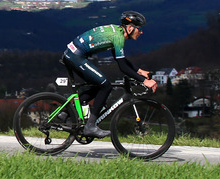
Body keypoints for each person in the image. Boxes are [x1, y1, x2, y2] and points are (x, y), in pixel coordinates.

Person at [61, 10, 156, 138]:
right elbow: (122, 67)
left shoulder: (117, 31)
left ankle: (66, 112)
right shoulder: (118, 37)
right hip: (76, 56)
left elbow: (119, 59)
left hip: (72, 54)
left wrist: (139, 71)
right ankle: (90, 126)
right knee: (105, 86)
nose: (141, 32)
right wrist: (144, 81)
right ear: (130, 28)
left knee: (97, 86)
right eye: (139, 29)